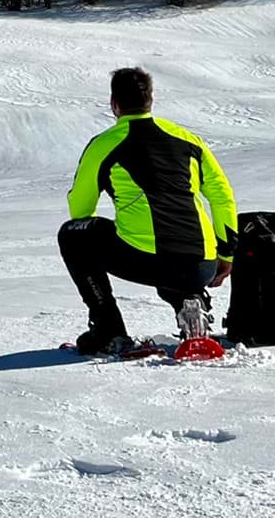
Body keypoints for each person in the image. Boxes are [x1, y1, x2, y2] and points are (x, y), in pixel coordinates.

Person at [60, 66, 237, 353]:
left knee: (72, 235)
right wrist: (226, 256)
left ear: (114, 103)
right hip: (203, 264)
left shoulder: (104, 144)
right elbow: (223, 198)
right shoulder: (189, 140)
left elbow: (80, 209)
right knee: (175, 249)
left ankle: (109, 331)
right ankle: (191, 303)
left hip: (151, 261)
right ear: (150, 100)